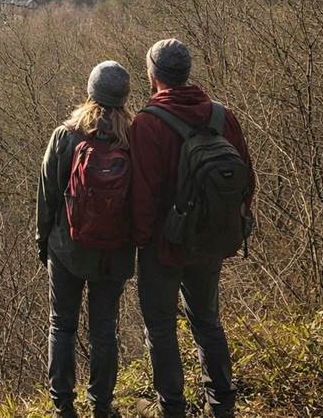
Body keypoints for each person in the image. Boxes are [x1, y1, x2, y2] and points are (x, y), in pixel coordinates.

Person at [130, 39, 254, 418]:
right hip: (210, 242)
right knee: (207, 322)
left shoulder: (147, 123)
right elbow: (247, 179)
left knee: (161, 327)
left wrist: (141, 242)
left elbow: (143, 195)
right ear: (187, 74)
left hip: (163, 247)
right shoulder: (222, 116)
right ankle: (222, 404)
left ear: (152, 77)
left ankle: (172, 408)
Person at [37, 61, 135, 418]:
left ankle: (63, 405)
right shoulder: (133, 138)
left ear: (90, 92)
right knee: (104, 329)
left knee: (61, 324)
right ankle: (102, 406)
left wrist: (43, 242)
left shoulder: (66, 135)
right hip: (114, 253)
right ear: (124, 97)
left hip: (67, 249)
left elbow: (47, 194)